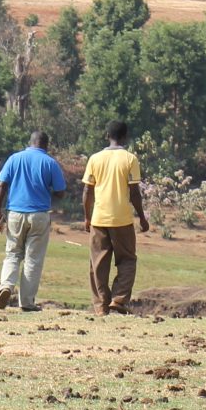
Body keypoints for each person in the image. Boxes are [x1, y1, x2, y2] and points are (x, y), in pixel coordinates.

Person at [0, 131, 68, 312]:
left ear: (30, 142)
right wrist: (47, 187)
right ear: (46, 145)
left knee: (13, 253)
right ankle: (26, 302)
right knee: (33, 259)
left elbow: (1, 185)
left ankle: (6, 286)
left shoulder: (14, 159)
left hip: (15, 214)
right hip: (39, 215)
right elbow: (61, 192)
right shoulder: (50, 163)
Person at [82, 119, 148, 315]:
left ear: (107, 136)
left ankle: (101, 307)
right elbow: (134, 192)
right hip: (123, 220)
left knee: (98, 264)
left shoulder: (95, 159)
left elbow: (87, 190)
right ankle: (118, 300)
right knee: (127, 260)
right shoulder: (130, 159)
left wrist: (87, 217)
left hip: (99, 218)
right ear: (125, 137)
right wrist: (142, 217)